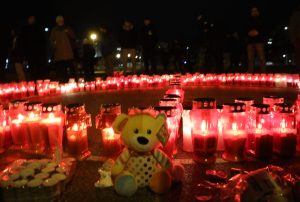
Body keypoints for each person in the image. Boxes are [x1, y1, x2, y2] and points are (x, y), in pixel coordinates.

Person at [18, 15, 47, 81]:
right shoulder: (25, 29)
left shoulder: (37, 28)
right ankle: (33, 82)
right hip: (29, 52)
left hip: (38, 53)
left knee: (39, 68)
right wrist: (24, 53)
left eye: (33, 18)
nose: (32, 20)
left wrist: (42, 51)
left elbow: (42, 41)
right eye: (30, 18)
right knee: (32, 69)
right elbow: (23, 41)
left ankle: (40, 82)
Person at [50, 15, 77, 82]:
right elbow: (51, 40)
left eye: (61, 20)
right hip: (59, 54)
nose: (60, 21)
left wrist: (68, 32)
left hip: (68, 53)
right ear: (57, 22)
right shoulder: (54, 30)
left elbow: (74, 37)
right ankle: (63, 81)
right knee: (61, 69)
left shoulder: (67, 28)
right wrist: (54, 46)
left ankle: (73, 81)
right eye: (59, 20)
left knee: (71, 69)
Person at [245, 7, 266, 73]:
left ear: (258, 12)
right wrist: (248, 32)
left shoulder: (262, 19)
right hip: (250, 41)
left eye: (255, 11)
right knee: (250, 58)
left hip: (259, 41)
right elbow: (244, 29)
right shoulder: (248, 20)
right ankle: (250, 72)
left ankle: (263, 72)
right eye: (252, 11)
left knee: (261, 57)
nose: (254, 12)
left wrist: (258, 32)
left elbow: (265, 28)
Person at [289, 4, 300, 68]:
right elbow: (292, 28)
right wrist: (293, 40)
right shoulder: (296, 15)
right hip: (298, 39)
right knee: (298, 55)